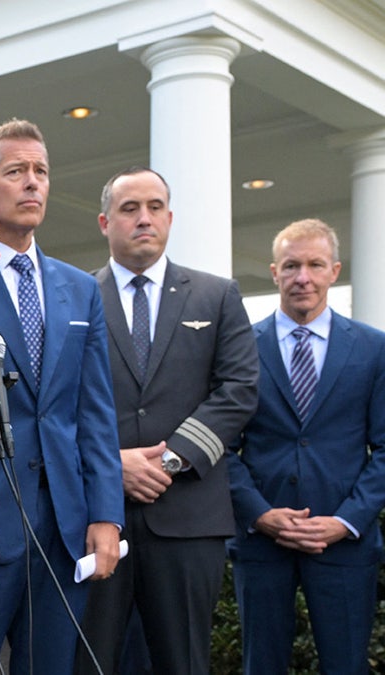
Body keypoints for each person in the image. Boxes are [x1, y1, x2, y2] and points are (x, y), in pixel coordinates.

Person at [0, 119, 123, 675]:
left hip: (65, 524)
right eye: (15, 171)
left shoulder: (80, 288)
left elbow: (93, 411)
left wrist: (107, 515)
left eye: (40, 172)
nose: (32, 183)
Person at [78, 167, 259, 674]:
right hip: (96, 516)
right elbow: (59, 401)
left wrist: (171, 459)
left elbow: (239, 390)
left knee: (183, 663)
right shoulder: (77, 297)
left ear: (170, 218)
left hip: (187, 519)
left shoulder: (216, 296)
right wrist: (111, 466)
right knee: (88, 662)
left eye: (155, 207)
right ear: (104, 221)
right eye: (129, 209)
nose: (144, 219)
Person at [227, 218, 385, 675]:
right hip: (261, 542)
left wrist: (345, 521)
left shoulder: (373, 350)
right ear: (274, 272)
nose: (303, 277)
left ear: (334, 270)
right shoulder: (239, 348)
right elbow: (221, 447)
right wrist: (259, 513)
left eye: (315, 265)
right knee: (262, 665)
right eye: (292, 265)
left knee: (346, 667)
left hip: (344, 545)